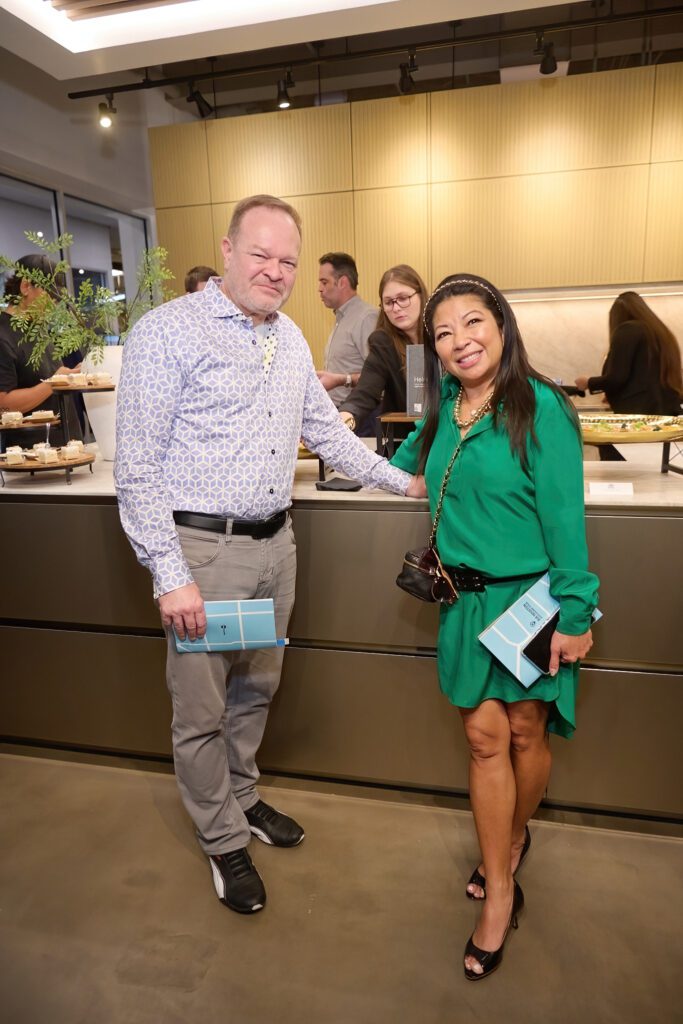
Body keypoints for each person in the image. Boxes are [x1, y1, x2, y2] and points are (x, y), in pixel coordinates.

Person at [114, 195, 422, 917]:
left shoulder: (286, 340)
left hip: (274, 549)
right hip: (203, 553)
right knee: (200, 711)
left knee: (255, 691)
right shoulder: (167, 333)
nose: (275, 272)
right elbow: (137, 469)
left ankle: (243, 799)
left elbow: (328, 435)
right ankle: (221, 838)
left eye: (288, 260)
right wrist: (170, 573)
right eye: (261, 254)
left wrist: (401, 481)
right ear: (226, 250)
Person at [390, 273, 599, 981]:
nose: (459, 341)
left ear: (502, 326)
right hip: (462, 602)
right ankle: (501, 885)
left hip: (529, 603)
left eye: (472, 323)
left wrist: (575, 611)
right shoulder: (447, 408)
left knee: (522, 732)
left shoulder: (537, 408)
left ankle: (508, 843)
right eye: (442, 333)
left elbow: (564, 519)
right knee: (482, 738)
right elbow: (407, 466)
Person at [575, 291, 682, 461]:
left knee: (614, 459)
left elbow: (617, 377)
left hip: (637, 421)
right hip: (665, 419)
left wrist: (588, 382)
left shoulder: (628, 329)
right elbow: (644, 377)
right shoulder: (662, 334)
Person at [338, 264, 427, 444]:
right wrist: (342, 421)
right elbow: (365, 393)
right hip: (406, 443)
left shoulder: (443, 335)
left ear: (421, 295)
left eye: (403, 298)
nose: (396, 308)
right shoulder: (383, 342)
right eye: (388, 302)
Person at [0, 255, 81, 446]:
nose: (54, 304)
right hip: (29, 460)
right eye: (51, 296)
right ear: (26, 286)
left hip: (67, 451)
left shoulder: (39, 330)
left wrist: (71, 376)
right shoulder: (2, 336)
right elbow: (3, 404)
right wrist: (53, 383)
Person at [316, 252, 378, 410]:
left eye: (324, 282)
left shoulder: (366, 318)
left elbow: (378, 376)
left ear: (342, 282)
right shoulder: (341, 319)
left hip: (360, 416)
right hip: (339, 412)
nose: (319, 289)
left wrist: (342, 379)